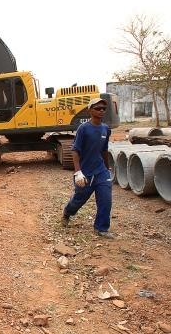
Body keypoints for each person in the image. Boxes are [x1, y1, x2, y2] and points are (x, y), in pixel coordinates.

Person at [62, 98, 115, 239]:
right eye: (98, 108)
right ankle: (67, 212)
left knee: (106, 199)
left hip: (101, 171)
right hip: (85, 172)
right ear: (90, 110)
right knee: (79, 199)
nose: (101, 111)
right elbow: (75, 150)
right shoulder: (84, 129)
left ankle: (101, 228)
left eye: (103, 108)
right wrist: (78, 172)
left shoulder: (105, 129)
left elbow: (104, 150)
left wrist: (107, 167)